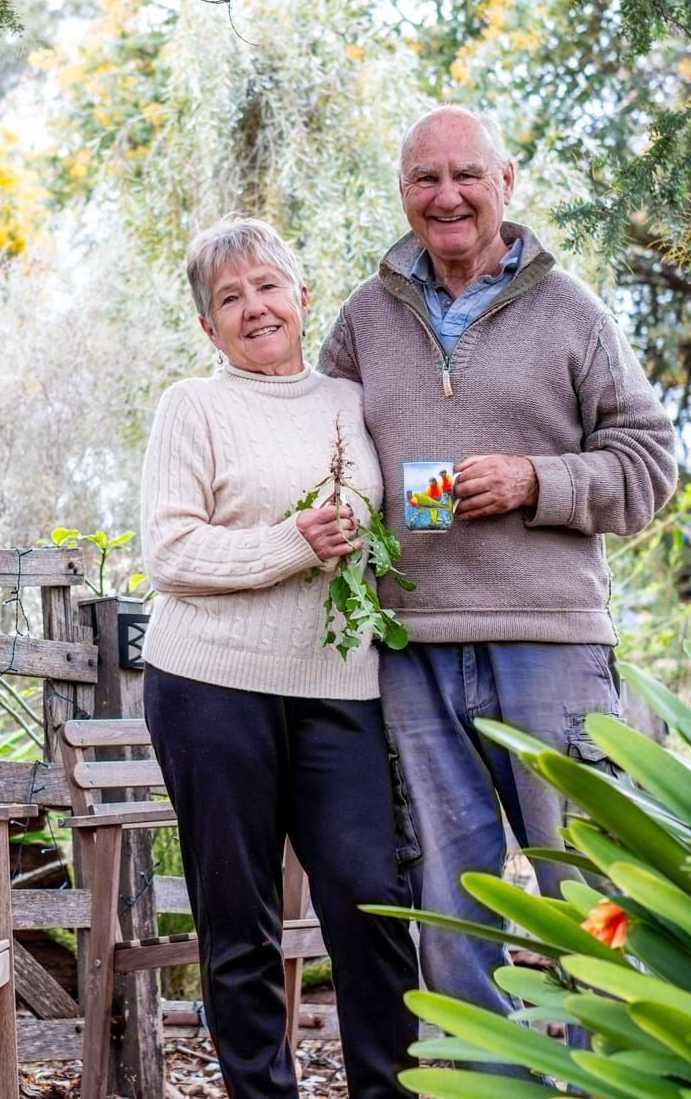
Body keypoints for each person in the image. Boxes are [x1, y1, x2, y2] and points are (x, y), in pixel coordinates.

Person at [318, 105, 678, 1021]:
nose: (447, 197)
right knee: (450, 898)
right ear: (403, 193)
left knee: (586, 883)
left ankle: (608, 1082)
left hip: (549, 641)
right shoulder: (365, 319)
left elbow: (650, 466)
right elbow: (316, 449)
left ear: (505, 183)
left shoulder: (572, 311)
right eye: (424, 179)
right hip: (416, 647)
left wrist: (533, 480)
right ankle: (488, 1077)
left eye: (466, 175)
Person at [138, 216, 420, 1099]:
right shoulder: (194, 405)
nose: (254, 307)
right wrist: (291, 541)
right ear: (207, 325)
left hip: (340, 688)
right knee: (241, 923)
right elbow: (171, 554)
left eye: (268, 286)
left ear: (302, 297)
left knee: (370, 904)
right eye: (230, 297)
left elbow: (407, 504)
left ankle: (391, 1091)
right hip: (211, 687)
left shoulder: (349, 400)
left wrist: (513, 481)